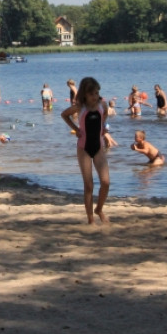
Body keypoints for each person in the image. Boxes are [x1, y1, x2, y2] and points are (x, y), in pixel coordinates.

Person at [61, 77, 110, 225]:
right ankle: (90, 219)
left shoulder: (102, 105)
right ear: (84, 94)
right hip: (84, 148)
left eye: (96, 93)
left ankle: (99, 209)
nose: (95, 96)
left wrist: (103, 128)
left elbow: (105, 115)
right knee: (88, 185)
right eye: (92, 94)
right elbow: (64, 114)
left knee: (106, 182)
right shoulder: (80, 108)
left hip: (99, 147)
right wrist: (76, 129)